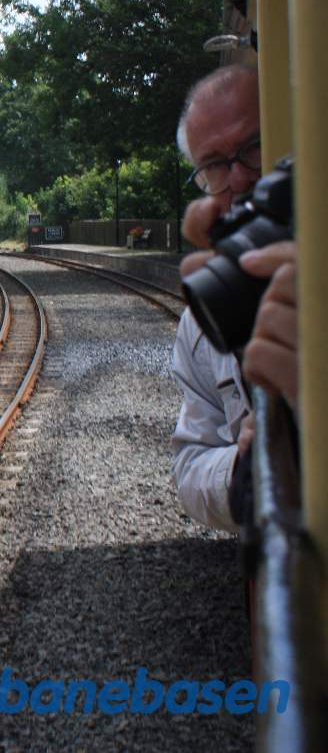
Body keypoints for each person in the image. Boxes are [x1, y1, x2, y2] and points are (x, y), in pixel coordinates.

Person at [170, 64, 262, 531]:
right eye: (215, 166)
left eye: (254, 148)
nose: (239, 178)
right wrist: (241, 466)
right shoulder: (201, 321)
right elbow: (190, 467)